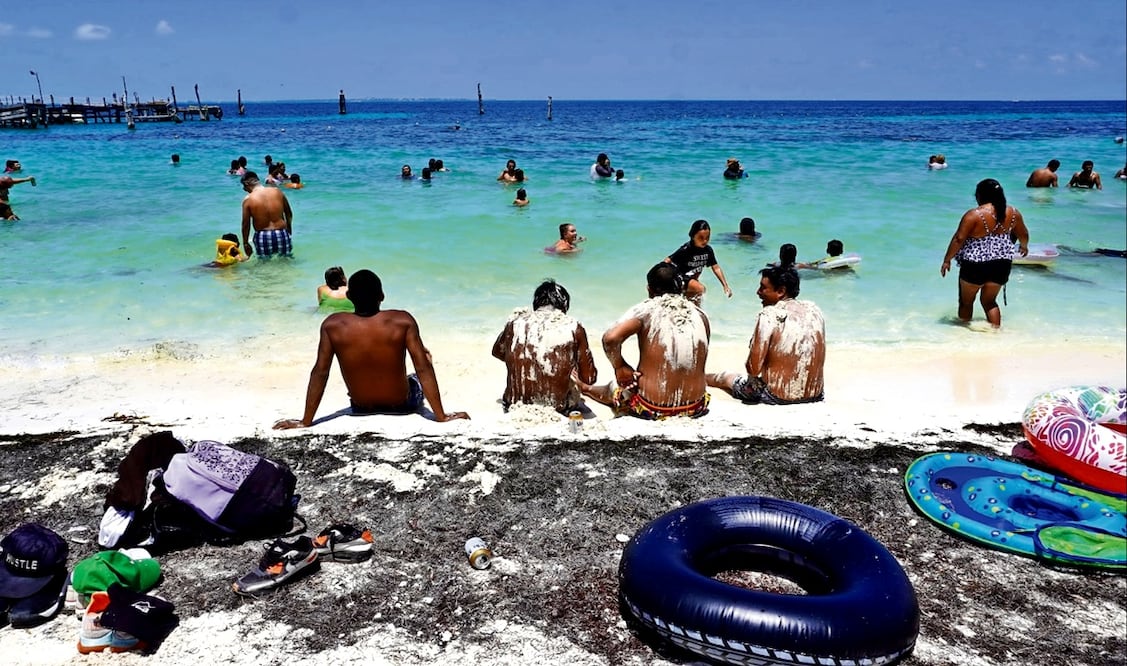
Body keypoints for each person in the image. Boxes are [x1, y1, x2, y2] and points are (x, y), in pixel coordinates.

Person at [273, 269, 469, 428]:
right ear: (382, 296)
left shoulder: (332, 325)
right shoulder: (402, 321)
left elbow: (320, 372)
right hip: (400, 406)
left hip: (360, 407)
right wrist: (441, 416)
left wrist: (305, 421)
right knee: (423, 360)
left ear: (349, 296)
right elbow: (423, 367)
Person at [575, 263, 711, 420]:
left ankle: (585, 388)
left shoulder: (647, 309)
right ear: (681, 287)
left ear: (649, 290)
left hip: (653, 408)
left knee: (615, 388)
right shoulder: (701, 315)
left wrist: (620, 366)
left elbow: (610, 339)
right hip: (696, 406)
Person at [707, 265, 825, 405]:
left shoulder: (769, 315)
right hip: (816, 394)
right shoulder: (814, 311)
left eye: (763, 288)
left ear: (781, 291)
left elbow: (753, 369)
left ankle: (699, 379)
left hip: (777, 397)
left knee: (724, 378)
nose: (758, 292)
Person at [491, 279, 598, 414]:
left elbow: (497, 352)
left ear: (536, 304)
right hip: (558, 410)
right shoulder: (574, 327)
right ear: (564, 306)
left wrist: (525, 360)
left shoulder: (515, 323)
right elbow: (589, 378)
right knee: (583, 406)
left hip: (513, 406)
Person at [940, 178, 1030, 327]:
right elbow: (1024, 234)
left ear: (980, 195)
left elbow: (959, 239)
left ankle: (962, 334)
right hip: (1002, 264)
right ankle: (995, 333)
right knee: (989, 302)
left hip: (975, 265)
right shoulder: (1013, 213)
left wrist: (947, 259)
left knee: (966, 302)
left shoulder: (974, 215)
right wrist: (1024, 247)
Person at [664, 219, 733, 305]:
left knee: (695, 301)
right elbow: (668, 260)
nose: (705, 241)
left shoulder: (708, 250)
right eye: (701, 238)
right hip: (681, 279)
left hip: (692, 280)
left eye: (707, 238)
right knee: (701, 289)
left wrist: (725, 286)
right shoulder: (686, 249)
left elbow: (716, 268)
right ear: (693, 236)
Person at [240, 171, 294, 258]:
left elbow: (246, 224)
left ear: (247, 183)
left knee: (263, 265)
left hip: (263, 235)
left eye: (244, 186)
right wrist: (289, 230)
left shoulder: (248, 199)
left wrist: (245, 243)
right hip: (282, 233)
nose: (244, 189)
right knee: (286, 261)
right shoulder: (277, 191)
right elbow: (289, 213)